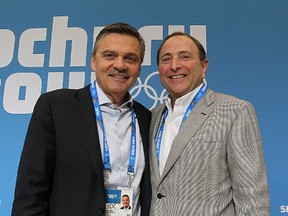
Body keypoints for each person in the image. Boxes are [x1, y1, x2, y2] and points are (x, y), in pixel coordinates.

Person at [12, 22, 151, 216]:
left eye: (130, 58)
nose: (120, 65)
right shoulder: (56, 107)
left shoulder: (148, 119)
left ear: (139, 68)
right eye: (110, 55)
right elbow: (30, 191)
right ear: (93, 61)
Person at [149, 32, 270, 215]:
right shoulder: (152, 117)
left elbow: (252, 199)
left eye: (185, 57)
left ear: (204, 66)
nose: (174, 66)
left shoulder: (235, 111)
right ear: (159, 68)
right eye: (166, 59)